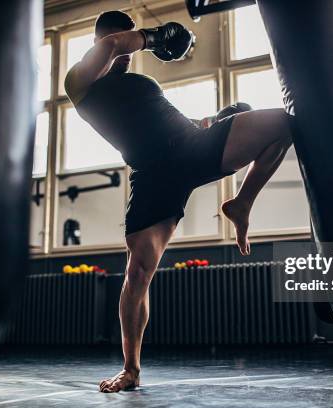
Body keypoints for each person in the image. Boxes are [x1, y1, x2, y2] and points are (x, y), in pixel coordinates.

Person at [65, 10, 293, 393]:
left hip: (192, 146)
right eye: (120, 40)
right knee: (137, 274)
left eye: (129, 42)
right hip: (154, 175)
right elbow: (115, 44)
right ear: (101, 42)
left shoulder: (138, 81)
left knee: (284, 124)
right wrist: (153, 36)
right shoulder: (80, 81)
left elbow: (174, 122)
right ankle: (131, 370)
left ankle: (241, 205)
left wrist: (216, 121)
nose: (125, 51)